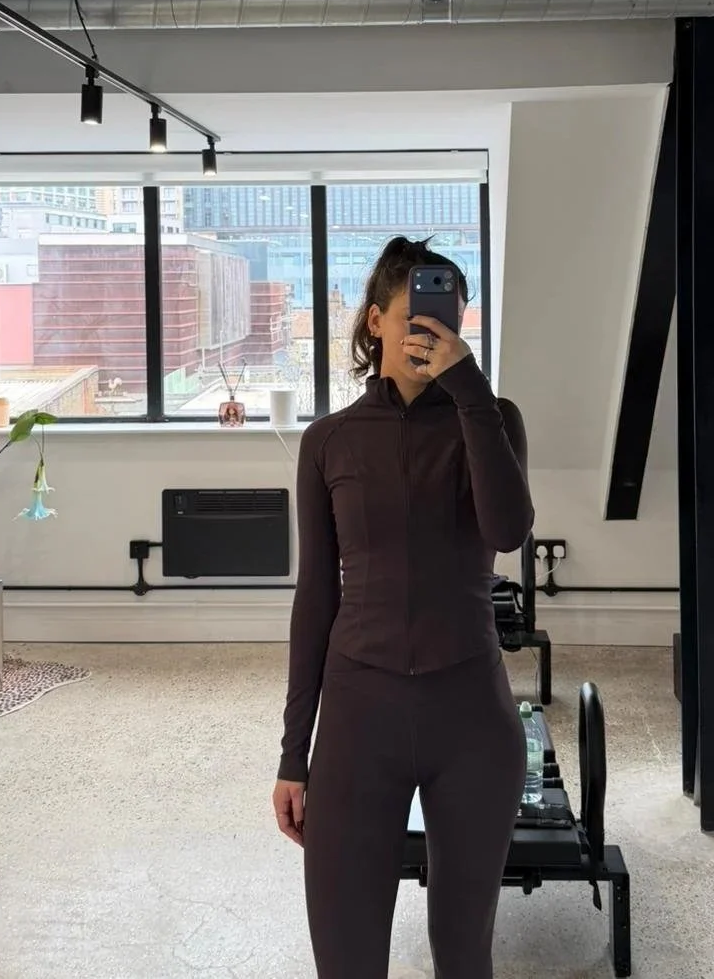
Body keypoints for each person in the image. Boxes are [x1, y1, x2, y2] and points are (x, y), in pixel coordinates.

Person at [272, 236, 534, 979]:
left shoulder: (492, 417)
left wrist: (470, 390)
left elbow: (508, 531)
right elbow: (314, 595)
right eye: (414, 311)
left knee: (462, 953)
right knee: (347, 956)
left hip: (472, 718)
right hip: (360, 712)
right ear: (376, 321)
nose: (430, 328)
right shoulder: (328, 441)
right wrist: (295, 751)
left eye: (447, 312)